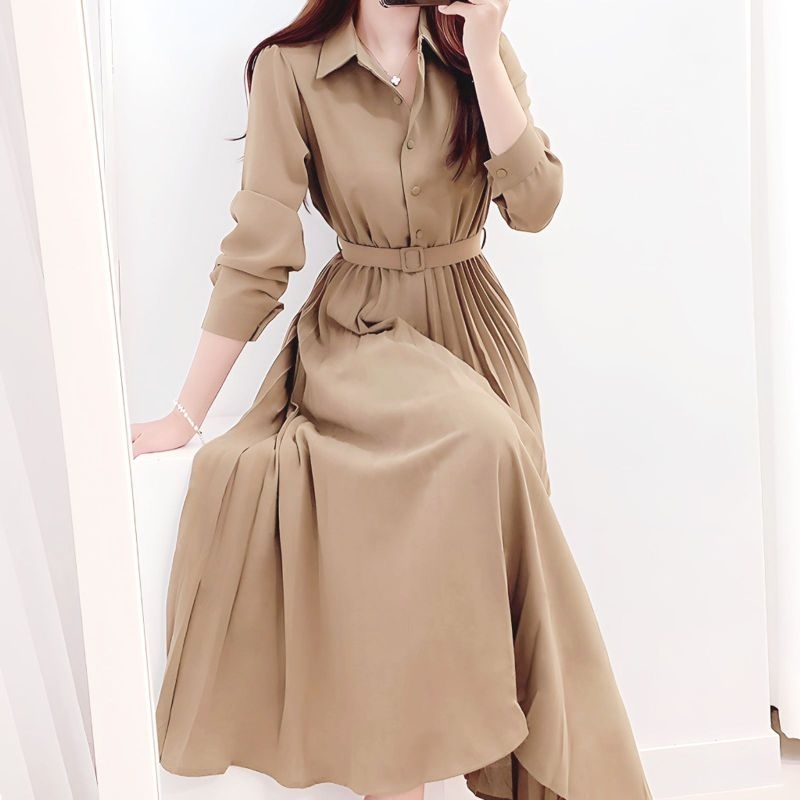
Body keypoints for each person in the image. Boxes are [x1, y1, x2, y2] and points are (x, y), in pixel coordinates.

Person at [131, 2, 653, 799]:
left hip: (470, 329)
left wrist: (484, 55)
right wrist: (185, 415)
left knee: (488, 454)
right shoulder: (289, 70)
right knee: (476, 444)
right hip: (361, 335)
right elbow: (259, 251)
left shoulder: (475, 51)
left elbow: (537, 205)